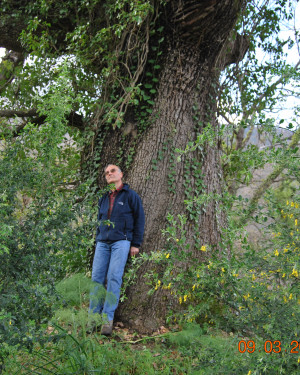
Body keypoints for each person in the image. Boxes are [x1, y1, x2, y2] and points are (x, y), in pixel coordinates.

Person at [89, 164, 145, 335]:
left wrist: (136, 243)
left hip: (121, 242)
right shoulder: (103, 197)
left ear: (121, 174)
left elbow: (140, 218)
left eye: (112, 171)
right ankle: (93, 318)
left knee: (114, 277)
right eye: (106, 173)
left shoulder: (130, 196)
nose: (109, 174)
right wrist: (98, 236)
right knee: (97, 279)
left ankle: (107, 319)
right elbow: (99, 218)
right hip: (102, 243)